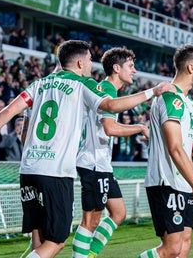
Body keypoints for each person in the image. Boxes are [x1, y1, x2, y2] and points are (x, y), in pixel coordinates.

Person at [0, 40, 173, 258]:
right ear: (79, 62)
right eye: (89, 60)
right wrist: (153, 91)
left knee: (38, 242)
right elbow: (110, 106)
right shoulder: (83, 83)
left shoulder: (38, 85)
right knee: (56, 242)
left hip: (29, 169)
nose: (91, 65)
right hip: (56, 171)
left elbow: (10, 112)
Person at [138, 44, 193, 258]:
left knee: (184, 244)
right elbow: (174, 148)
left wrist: (190, 184)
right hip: (165, 181)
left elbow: (184, 148)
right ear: (191, 68)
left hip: (180, 182)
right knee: (172, 247)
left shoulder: (188, 103)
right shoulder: (170, 99)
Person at [72, 47, 150, 258]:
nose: (134, 71)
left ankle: (90, 254)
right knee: (91, 219)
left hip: (102, 164)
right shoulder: (106, 89)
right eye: (130, 66)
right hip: (93, 163)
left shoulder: (109, 90)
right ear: (117, 68)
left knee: (118, 212)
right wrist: (140, 128)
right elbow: (111, 128)